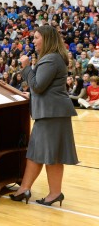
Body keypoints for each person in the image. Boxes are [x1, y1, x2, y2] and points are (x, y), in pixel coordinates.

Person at [10, 25, 78, 206]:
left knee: (38, 152)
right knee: (49, 154)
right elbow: (43, 88)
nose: (33, 41)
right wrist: (30, 94)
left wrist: (25, 68)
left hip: (51, 113)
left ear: (46, 39)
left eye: (36, 38)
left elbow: (38, 85)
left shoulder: (50, 59)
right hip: (53, 112)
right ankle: (52, 193)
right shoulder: (54, 58)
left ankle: (25, 190)